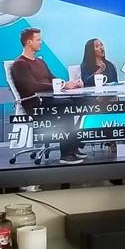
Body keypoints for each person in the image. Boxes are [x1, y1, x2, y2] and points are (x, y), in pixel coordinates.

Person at [8, 27, 82, 161]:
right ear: (29, 42)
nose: (41, 42)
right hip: (35, 104)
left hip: (49, 100)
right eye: (38, 40)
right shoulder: (20, 64)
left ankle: (73, 146)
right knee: (67, 105)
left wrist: (68, 84)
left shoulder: (40, 62)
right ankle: (66, 154)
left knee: (78, 102)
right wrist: (61, 85)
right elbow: (32, 86)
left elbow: (53, 79)